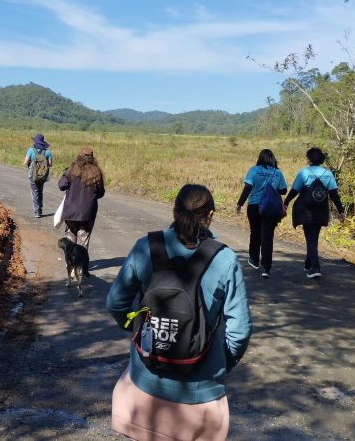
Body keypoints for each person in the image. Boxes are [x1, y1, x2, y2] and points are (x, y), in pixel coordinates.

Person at [107, 184, 252, 441]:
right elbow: (239, 332)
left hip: (145, 382)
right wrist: (220, 364)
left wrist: (142, 331)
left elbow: (116, 303)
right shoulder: (224, 259)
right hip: (200, 394)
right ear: (210, 216)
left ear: (174, 211)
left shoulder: (145, 247)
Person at [283, 147, 345, 279]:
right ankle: (308, 263)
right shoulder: (328, 174)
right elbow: (334, 194)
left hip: (306, 210)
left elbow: (294, 190)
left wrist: (286, 202)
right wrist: (341, 210)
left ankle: (316, 268)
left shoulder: (304, 173)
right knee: (313, 237)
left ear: (309, 159)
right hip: (321, 210)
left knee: (310, 238)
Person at [235, 149, 287, 278]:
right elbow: (283, 190)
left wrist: (240, 204)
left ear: (260, 158)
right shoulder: (277, 172)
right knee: (267, 237)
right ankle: (266, 268)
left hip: (254, 205)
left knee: (255, 232)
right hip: (270, 207)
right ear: (272, 159)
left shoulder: (254, 170)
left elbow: (247, 188)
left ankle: (254, 259)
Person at [57, 147, 105, 249]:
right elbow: (100, 193)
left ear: (79, 157)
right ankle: (81, 259)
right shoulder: (97, 172)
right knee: (83, 243)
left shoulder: (71, 170)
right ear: (92, 158)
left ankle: (70, 259)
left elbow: (61, 185)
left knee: (69, 242)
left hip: (70, 212)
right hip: (87, 213)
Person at [24, 133, 52, 218]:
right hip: (43, 175)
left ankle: (37, 211)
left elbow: (25, 162)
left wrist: (30, 166)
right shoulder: (47, 152)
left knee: (35, 192)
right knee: (40, 191)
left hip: (33, 175)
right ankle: (40, 210)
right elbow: (50, 164)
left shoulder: (31, 150)